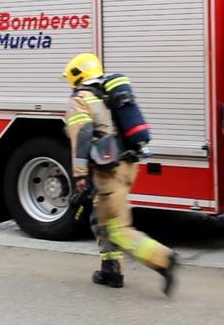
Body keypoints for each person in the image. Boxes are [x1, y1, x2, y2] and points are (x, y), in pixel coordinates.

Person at [63, 53, 177, 296]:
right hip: (127, 166)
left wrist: (80, 175)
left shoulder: (81, 99)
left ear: (76, 76)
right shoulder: (110, 95)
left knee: (117, 227)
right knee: (103, 217)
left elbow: (82, 135)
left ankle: (163, 259)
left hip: (107, 171)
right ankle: (110, 269)